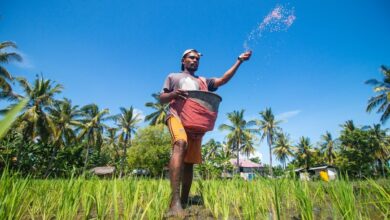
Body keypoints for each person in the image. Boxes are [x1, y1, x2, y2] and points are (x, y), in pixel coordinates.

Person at [160, 49, 252, 216]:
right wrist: (173, 94)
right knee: (180, 143)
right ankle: (174, 202)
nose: (195, 60)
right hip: (176, 116)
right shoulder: (173, 77)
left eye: (197, 59)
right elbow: (162, 97)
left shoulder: (203, 81)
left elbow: (223, 80)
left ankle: (185, 200)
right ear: (183, 60)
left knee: (189, 162)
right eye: (191, 57)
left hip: (195, 123)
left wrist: (239, 61)